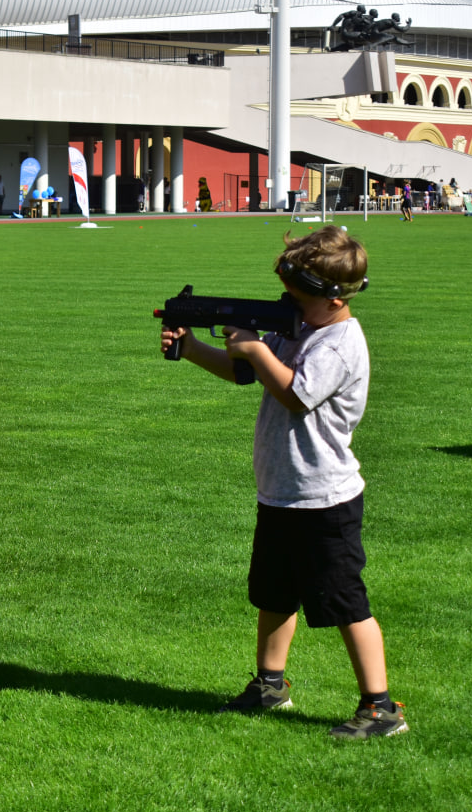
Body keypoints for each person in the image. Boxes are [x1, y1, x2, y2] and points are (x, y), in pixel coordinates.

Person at [158, 225, 406, 740]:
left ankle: (381, 708)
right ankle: (270, 685)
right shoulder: (296, 327)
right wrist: (193, 348)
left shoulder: (339, 342)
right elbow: (244, 373)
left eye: (296, 297)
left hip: (325, 497)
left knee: (344, 602)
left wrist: (254, 346)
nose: (284, 303)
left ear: (335, 298)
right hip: (281, 491)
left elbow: (296, 394)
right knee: (273, 594)